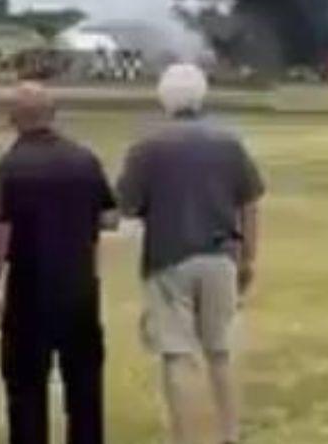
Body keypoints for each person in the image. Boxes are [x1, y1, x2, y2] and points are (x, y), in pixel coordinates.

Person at [118, 64, 265, 444]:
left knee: (177, 354)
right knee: (220, 349)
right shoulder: (229, 143)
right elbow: (249, 202)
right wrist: (249, 255)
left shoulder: (147, 148)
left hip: (169, 257)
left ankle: (184, 436)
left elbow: (127, 206)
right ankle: (230, 433)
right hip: (221, 255)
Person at [0, 83, 118, 444]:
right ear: (53, 114)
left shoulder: (11, 166)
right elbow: (110, 217)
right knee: (84, 385)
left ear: (14, 119)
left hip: (28, 290)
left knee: (26, 387)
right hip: (79, 289)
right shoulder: (84, 159)